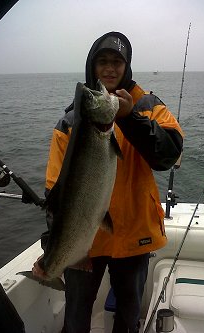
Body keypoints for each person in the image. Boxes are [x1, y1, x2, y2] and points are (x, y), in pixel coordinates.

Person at [33, 31, 183, 333]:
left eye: (117, 62)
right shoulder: (71, 121)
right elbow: (55, 192)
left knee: (128, 316)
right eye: (102, 62)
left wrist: (129, 118)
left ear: (127, 67)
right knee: (76, 317)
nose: (110, 69)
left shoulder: (149, 105)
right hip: (83, 238)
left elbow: (169, 155)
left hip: (135, 232)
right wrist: (52, 246)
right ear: (92, 67)